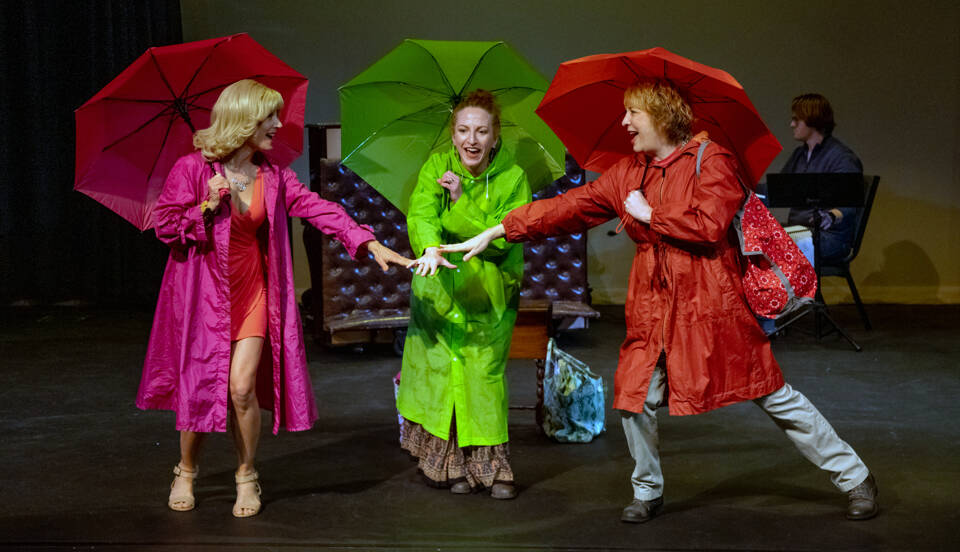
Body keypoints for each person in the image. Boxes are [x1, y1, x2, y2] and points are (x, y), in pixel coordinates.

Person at [439, 82, 879, 521]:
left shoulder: (713, 161)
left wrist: (651, 214)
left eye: (633, 113)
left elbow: (709, 225)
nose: (625, 122)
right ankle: (647, 490)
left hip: (711, 305)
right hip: (652, 306)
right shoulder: (631, 172)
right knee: (634, 398)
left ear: (663, 115)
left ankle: (854, 476)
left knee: (772, 393)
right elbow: (571, 206)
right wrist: (500, 229)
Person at [136, 79, 413, 517]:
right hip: (203, 298)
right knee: (202, 386)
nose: (278, 125)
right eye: (269, 117)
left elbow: (318, 207)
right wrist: (205, 206)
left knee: (241, 387)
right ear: (244, 120)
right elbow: (166, 227)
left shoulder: (274, 176)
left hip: (253, 292)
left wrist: (365, 240)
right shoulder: (192, 170)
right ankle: (186, 470)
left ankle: (246, 474)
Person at [397, 90, 531, 499]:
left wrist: (459, 200)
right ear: (453, 134)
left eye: (481, 131)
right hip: (439, 292)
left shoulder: (513, 177)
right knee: (442, 378)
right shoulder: (436, 167)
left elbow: (503, 236)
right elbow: (421, 214)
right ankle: (449, 466)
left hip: (487, 296)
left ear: (495, 136)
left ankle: (493, 471)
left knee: (482, 379)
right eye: (463, 130)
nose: (471, 140)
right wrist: (429, 248)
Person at [782, 93, 863, 263]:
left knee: (775, 242)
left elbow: (851, 202)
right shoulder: (799, 155)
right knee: (754, 236)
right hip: (799, 231)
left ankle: (786, 281)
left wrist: (832, 215)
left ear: (812, 120)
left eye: (796, 120)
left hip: (829, 237)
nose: (792, 124)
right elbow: (778, 189)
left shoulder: (842, 158)